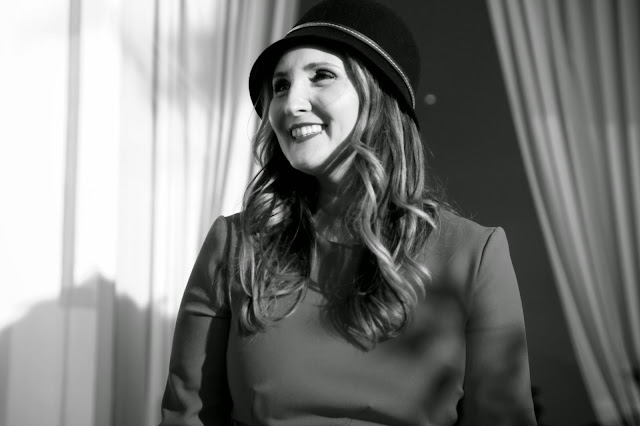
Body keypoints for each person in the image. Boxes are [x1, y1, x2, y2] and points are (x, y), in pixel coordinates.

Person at [159, 0, 538, 425]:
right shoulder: (235, 245)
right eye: (280, 86)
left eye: (321, 76)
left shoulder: (473, 254)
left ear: (380, 97)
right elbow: (187, 415)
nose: (289, 102)